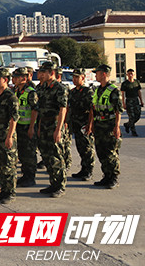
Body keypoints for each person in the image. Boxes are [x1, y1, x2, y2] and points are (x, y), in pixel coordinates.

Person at [86, 64, 123, 189]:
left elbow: (118, 110)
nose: (95, 75)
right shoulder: (98, 90)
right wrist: (91, 125)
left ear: (104, 74)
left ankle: (114, 178)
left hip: (109, 125)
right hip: (99, 125)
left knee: (111, 152)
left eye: (97, 73)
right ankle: (106, 176)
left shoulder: (113, 90)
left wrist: (117, 127)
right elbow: (93, 108)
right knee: (101, 152)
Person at [36, 61, 68, 198]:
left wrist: (58, 129)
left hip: (54, 125)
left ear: (52, 73)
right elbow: (38, 110)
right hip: (43, 125)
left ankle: (60, 185)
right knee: (46, 156)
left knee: (56, 156)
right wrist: (37, 127)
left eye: (44, 72)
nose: (41, 75)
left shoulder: (60, 88)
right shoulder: (41, 88)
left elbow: (63, 109)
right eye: (40, 72)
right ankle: (52, 183)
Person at [0, 68, 19, 204]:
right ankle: (3, 190)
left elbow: (14, 118)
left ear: (5, 80)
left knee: (8, 164)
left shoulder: (10, 97)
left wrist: (10, 136)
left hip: (5, 133)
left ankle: (10, 192)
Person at [67, 69, 95, 181]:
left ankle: (89, 170)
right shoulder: (73, 91)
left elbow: (92, 110)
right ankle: (83, 169)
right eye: (73, 77)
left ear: (83, 78)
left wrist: (90, 125)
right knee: (80, 147)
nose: (74, 79)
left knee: (87, 147)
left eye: (77, 77)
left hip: (84, 123)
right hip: (75, 123)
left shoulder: (88, 92)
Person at [12, 67, 39, 187]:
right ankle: (25, 175)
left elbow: (35, 110)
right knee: (22, 152)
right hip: (19, 126)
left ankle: (30, 177)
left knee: (29, 153)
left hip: (27, 126)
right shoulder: (17, 91)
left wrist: (32, 127)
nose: (14, 79)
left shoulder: (30, 92)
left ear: (24, 78)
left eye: (17, 77)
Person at [121, 69, 142, 137]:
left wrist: (141, 101)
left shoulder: (137, 82)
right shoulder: (125, 84)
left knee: (137, 116)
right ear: (127, 74)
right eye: (129, 74)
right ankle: (133, 131)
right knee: (132, 117)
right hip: (129, 101)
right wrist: (123, 103)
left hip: (136, 100)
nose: (130, 75)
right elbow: (123, 94)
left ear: (134, 74)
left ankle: (127, 125)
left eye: (132, 73)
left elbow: (139, 92)